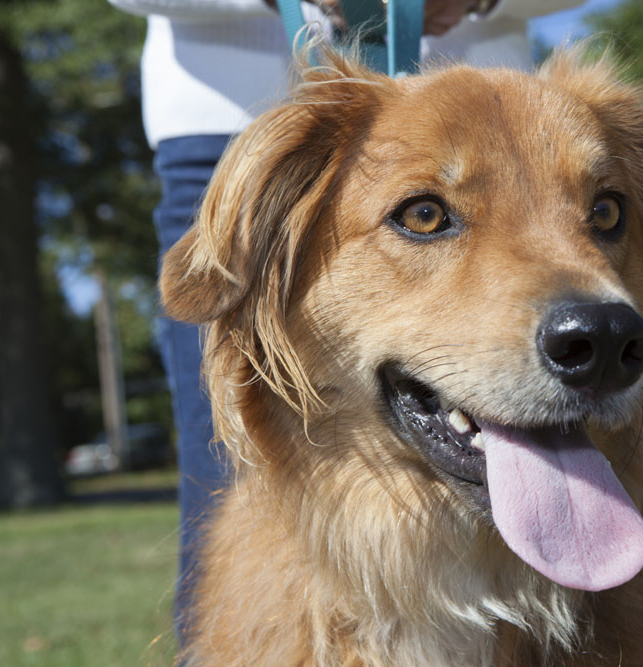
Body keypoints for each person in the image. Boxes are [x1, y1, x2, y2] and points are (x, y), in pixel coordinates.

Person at [107, 0, 581, 645]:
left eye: (606, 217)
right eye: (424, 216)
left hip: (520, 120)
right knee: (228, 498)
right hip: (226, 121)